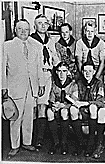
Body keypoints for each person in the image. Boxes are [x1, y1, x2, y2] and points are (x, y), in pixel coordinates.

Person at [2, 19, 45, 158]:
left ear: (30, 30)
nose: (23, 32)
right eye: (20, 29)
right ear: (15, 30)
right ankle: (15, 146)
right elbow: (1, 69)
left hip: (31, 86)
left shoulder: (35, 46)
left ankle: (27, 142)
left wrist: (41, 83)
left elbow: (40, 67)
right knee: (15, 117)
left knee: (28, 117)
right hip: (14, 87)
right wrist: (3, 87)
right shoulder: (6, 46)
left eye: (26, 29)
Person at [31, 14, 60, 150]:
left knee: (45, 105)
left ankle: (42, 138)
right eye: (40, 23)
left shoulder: (50, 41)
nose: (43, 25)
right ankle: (35, 138)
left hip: (48, 74)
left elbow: (55, 58)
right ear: (34, 25)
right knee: (36, 107)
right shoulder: (30, 40)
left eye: (45, 23)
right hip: (35, 75)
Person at [69, 61, 105, 157]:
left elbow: (100, 102)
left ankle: (91, 142)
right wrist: (75, 100)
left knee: (93, 107)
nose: (87, 73)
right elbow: (75, 97)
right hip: (82, 111)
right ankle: (80, 142)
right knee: (72, 109)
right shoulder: (79, 83)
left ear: (94, 71)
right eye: (85, 71)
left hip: (94, 112)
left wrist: (86, 103)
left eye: (90, 71)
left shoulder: (99, 83)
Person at [47, 62, 77, 155]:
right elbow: (51, 98)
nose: (61, 74)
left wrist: (64, 105)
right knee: (49, 112)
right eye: (59, 71)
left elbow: (74, 101)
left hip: (67, 108)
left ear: (68, 72)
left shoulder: (73, 84)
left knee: (64, 112)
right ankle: (56, 142)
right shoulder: (54, 84)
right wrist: (54, 105)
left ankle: (64, 142)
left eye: (64, 71)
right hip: (58, 107)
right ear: (56, 72)